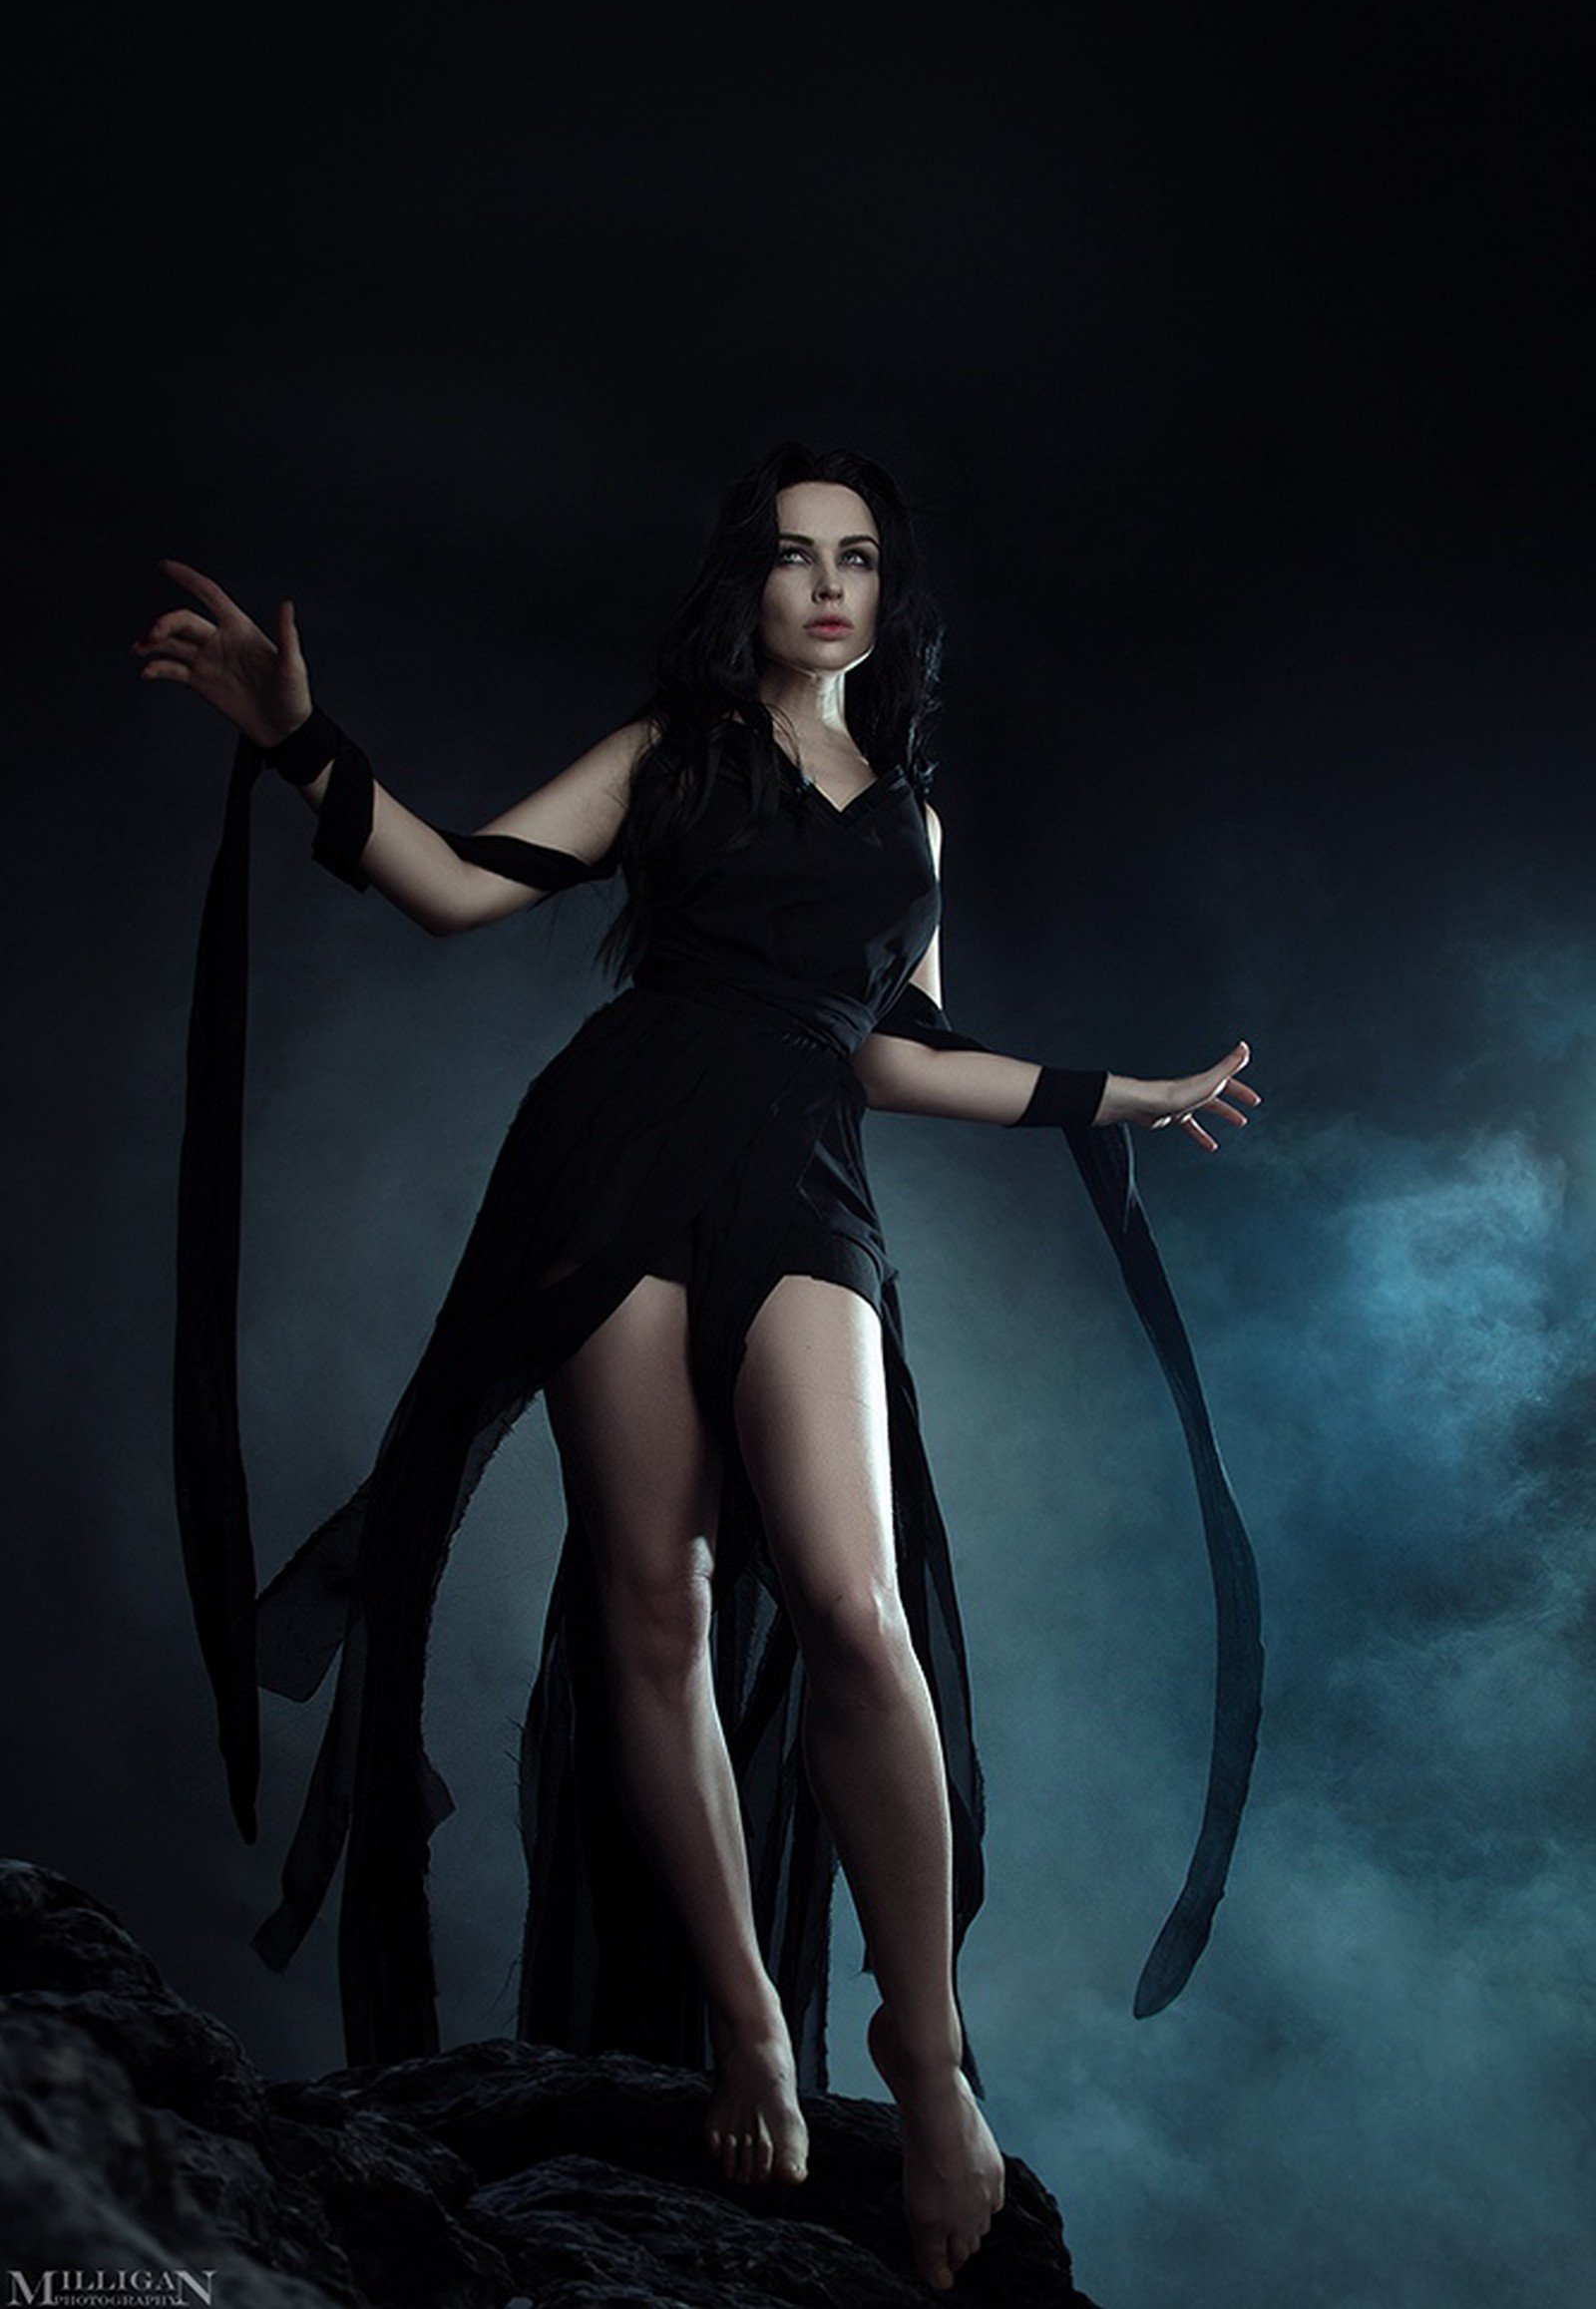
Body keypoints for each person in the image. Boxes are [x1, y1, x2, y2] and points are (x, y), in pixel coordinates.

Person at [135, 443, 1262, 2294]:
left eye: (858, 557)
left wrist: (1119, 1095)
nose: (827, 585)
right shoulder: (668, 753)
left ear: (890, 595)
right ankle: (747, 2024)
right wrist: (299, 740)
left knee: (858, 1610)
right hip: (615, 1157)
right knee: (654, 1602)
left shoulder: (912, 825)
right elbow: (453, 884)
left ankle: (925, 2048)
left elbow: (895, 1050)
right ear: (749, 582)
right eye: (795, 555)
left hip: (802, 1176)